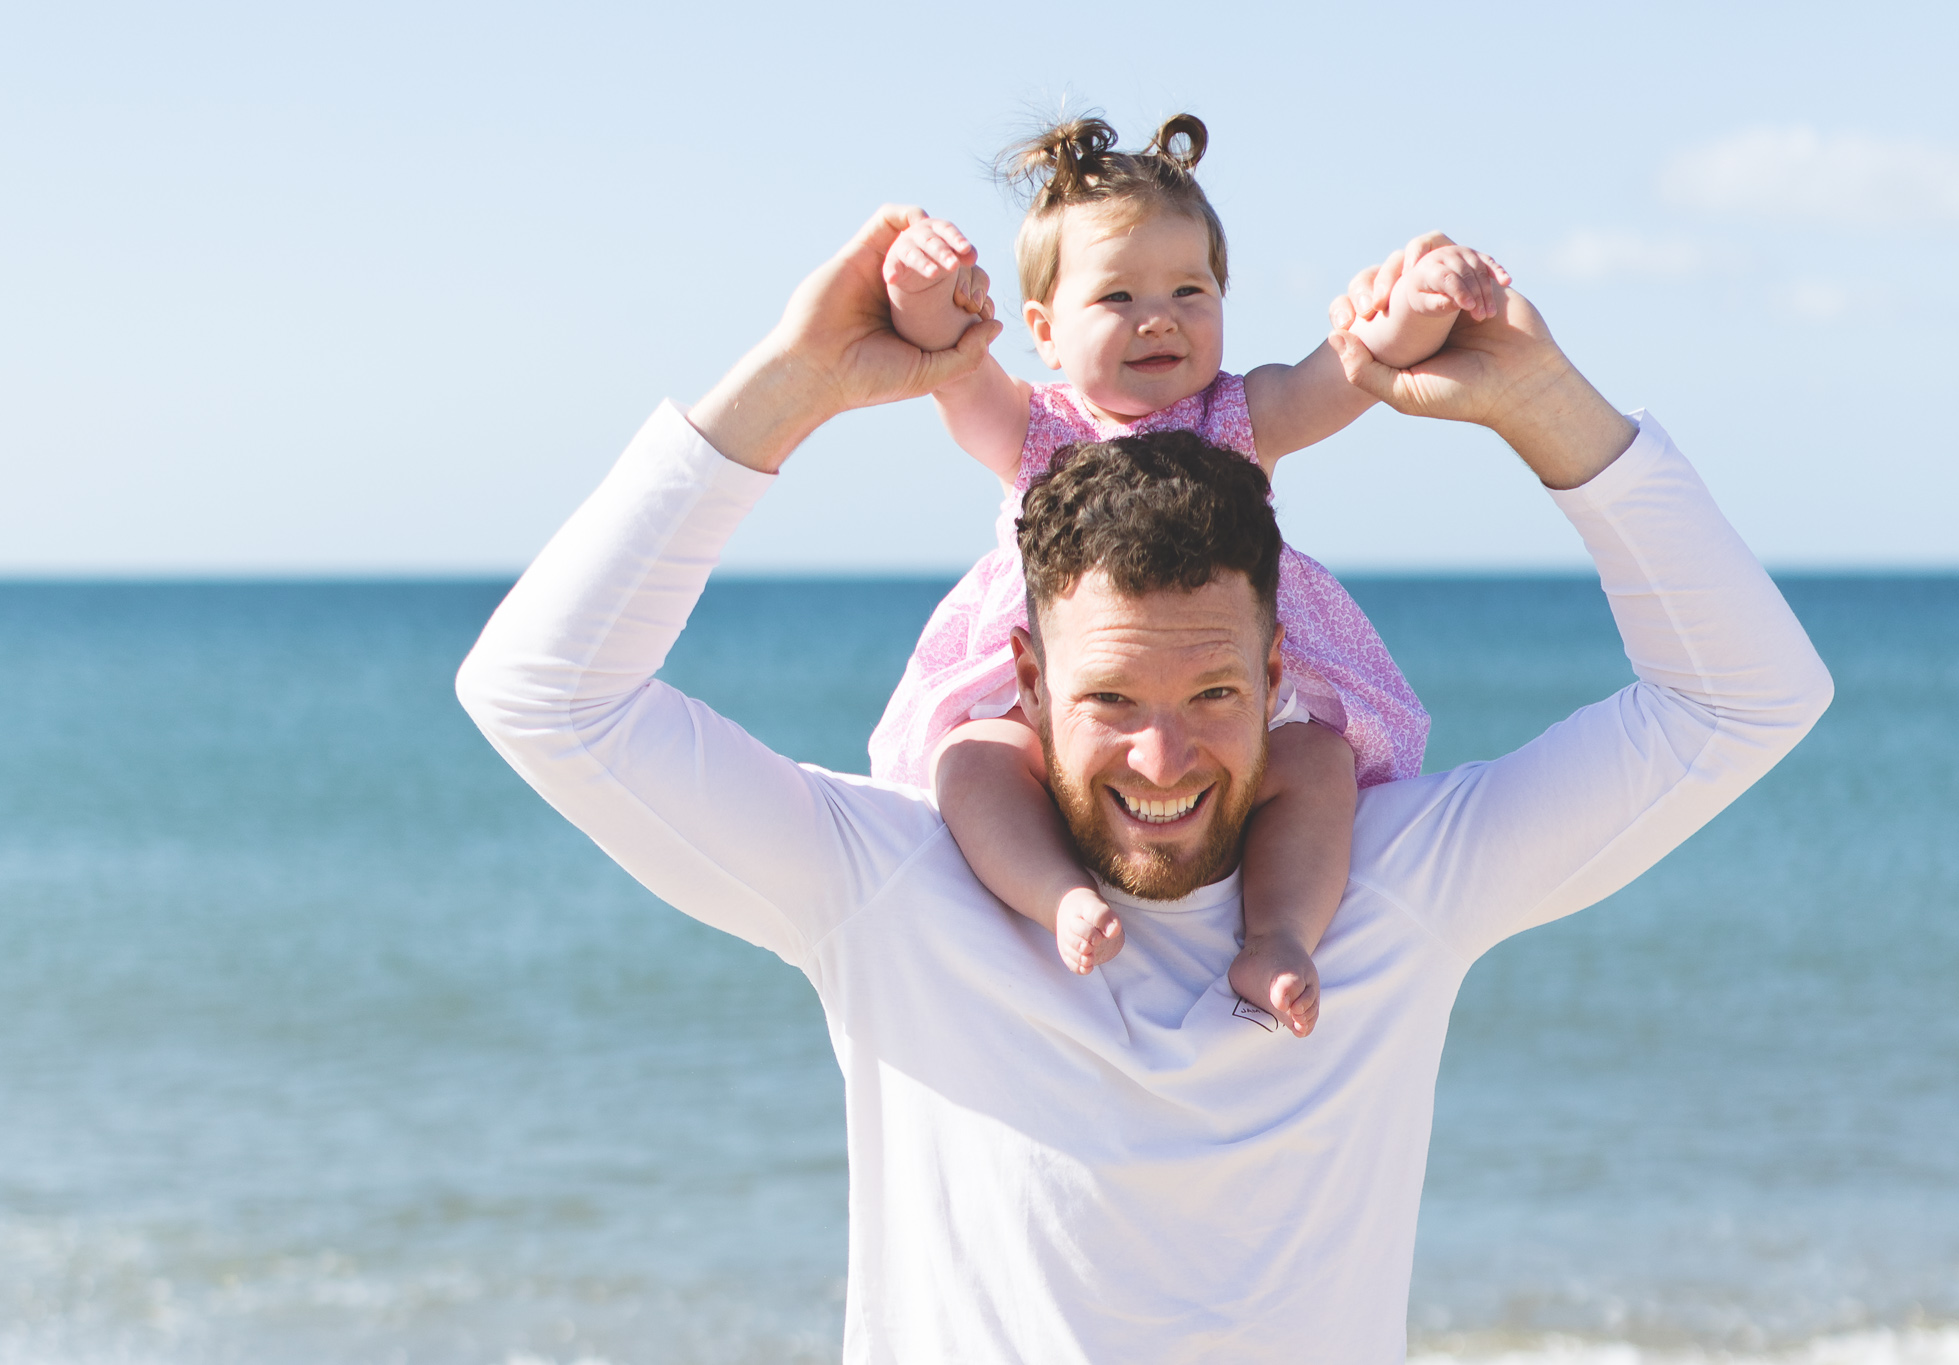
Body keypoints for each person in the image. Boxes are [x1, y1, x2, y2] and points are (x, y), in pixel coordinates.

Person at [455, 205, 1832, 1365]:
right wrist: (792, 381)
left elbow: (1747, 699)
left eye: (1215, 697)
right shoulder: (891, 888)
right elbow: (541, 695)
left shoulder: (1391, 880)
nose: (1164, 761)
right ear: (1025, 679)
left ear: (1285, 665)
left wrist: (1544, 408)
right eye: (1111, 700)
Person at [872, 114, 1513, 1036]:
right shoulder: (1033, 425)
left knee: (1314, 762)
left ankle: (1281, 933)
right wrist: (922, 289)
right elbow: (949, 366)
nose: (1159, 316)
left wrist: (1418, 305)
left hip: (1222, 667)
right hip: (1070, 679)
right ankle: (1056, 896)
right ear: (1045, 330)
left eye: (1189, 288)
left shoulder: (1241, 413)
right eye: (1119, 298)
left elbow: (1349, 371)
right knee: (976, 759)